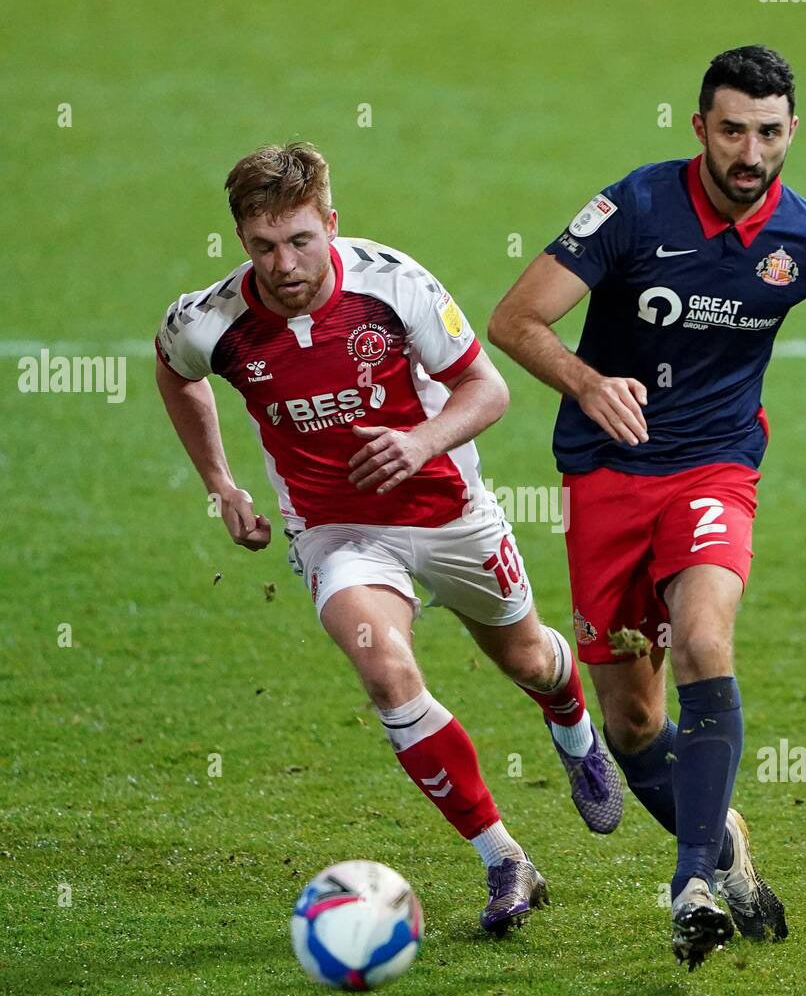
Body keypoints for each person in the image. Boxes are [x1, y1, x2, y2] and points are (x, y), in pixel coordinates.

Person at [488, 46, 806, 968]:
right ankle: (724, 849)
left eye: (769, 133)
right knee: (633, 724)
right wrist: (584, 380)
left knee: (703, 642)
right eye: (732, 130)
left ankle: (690, 880)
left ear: (791, 133)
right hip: (607, 477)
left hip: (714, 472)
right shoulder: (634, 208)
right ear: (699, 128)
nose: (750, 151)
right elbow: (514, 319)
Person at [154, 142, 623, 936]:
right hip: (337, 530)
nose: (286, 264)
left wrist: (421, 442)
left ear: (330, 223)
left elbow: (489, 388)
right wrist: (221, 486)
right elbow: (175, 371)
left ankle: (573, 727)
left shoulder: (393, 284)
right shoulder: (211, 320)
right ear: (242, 241)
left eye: (302, 240)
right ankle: (504, 859)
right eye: (265, 246)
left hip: (448, 511)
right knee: (384, 669)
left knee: (528, 659)